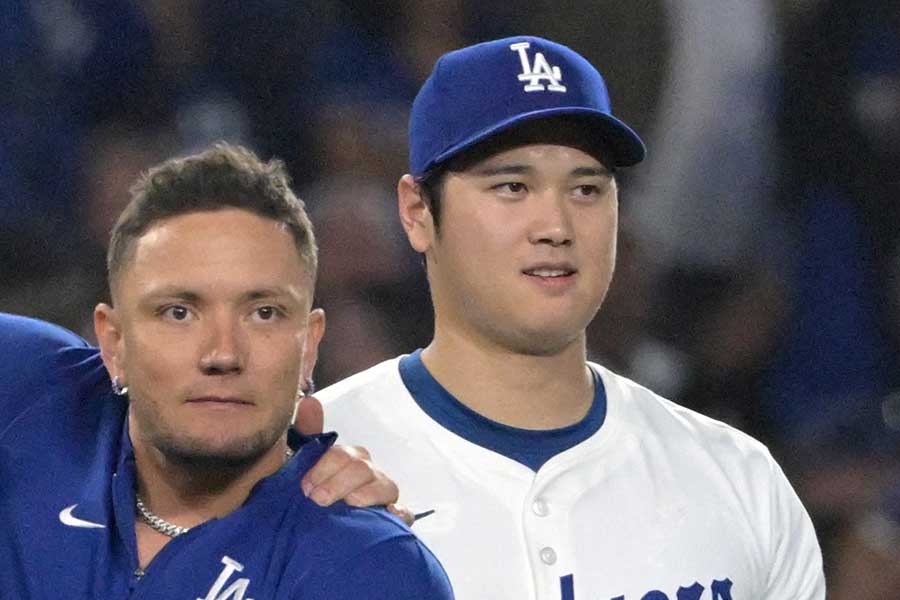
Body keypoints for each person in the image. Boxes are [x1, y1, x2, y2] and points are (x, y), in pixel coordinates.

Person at [317, 36, 826, 599]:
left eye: (586, 189)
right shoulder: (314, 470)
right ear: (417, 213)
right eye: (512, 186)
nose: (556, 226)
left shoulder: (739, 479)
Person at [0, 144, 453, 599]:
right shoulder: (30, 390)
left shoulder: (365, 569)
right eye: (178, 312)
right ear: (113, 343)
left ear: (310, 346)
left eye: (264, 313)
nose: (223, 354)